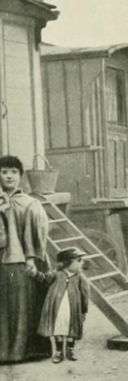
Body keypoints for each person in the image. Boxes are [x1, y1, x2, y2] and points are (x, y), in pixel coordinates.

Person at [0, 155, 51, 363]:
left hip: (18, 261)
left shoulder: (30, 203)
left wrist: (31, 259)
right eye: (4, 172)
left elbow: (35, 234)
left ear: (20, 176)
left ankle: (19, 351)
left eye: (13, 172)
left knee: (20, 306)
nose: (9, 176)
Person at [36, 247, 90, 364]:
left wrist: (84, 310)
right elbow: (44, 279)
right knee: (59, 328)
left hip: (73, 308)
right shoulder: (56, 274)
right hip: (58, 308)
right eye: (79, 260)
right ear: (67, 263)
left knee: (72, 328)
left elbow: (85, 295)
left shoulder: (80, 278)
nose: (82, 263)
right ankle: (59, 351)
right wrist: (35, 273)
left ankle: (70, 349)